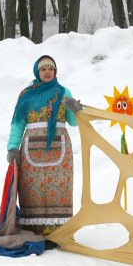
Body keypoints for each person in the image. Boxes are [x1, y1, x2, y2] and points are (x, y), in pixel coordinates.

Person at [6, 55, 82, 240]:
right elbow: (18, 123)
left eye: (50, 68)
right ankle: (34, 231)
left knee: (59, 189)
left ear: (55, 72)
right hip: (30, 150)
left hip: (60, 149)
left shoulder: (64, 92)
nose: (47, 72)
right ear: (37, 71)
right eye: (43, 69)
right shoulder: (26, 95)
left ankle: (59, 233)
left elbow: (73, 122)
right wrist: (12, 147)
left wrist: (74, 108)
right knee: (33, 189)